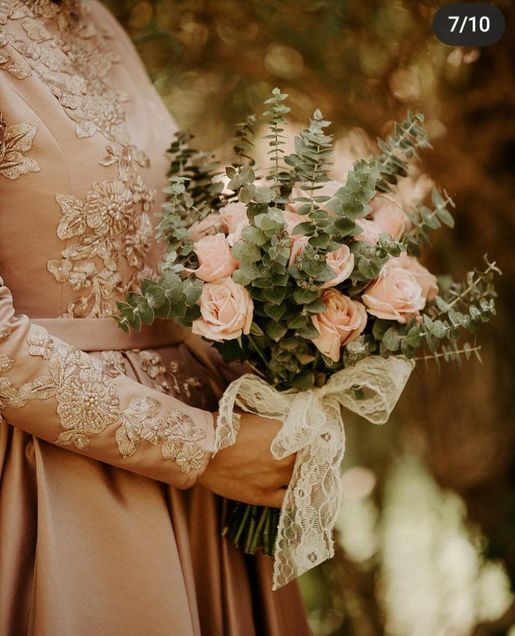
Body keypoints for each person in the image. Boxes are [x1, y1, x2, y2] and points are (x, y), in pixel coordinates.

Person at [0, 0, 310, 633]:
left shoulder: (94, 22)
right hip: (54, 481)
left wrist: (293, 358)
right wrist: (200, 449)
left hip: (206, 498)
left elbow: (163, 249)